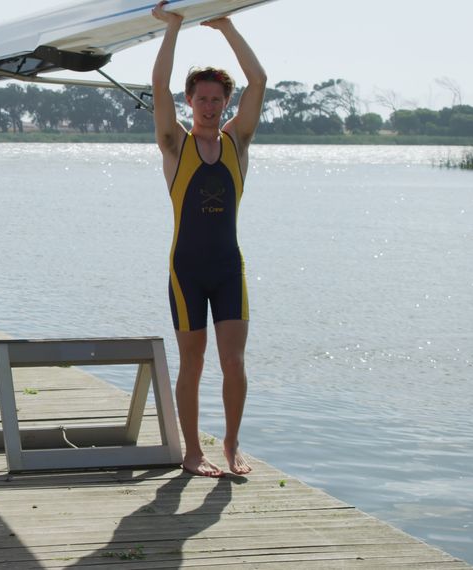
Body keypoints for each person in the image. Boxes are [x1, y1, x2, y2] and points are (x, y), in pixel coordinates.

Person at [150, 0, 266, 477]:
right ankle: (192, 452)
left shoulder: (238, 142)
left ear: (226, 103)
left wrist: (226, 27)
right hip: (186, 271)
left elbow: (258, 81)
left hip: (227, 269)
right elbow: (157, 84)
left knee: (233, 362)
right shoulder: (174, 144)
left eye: (218, 99)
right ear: (190, 102)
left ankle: (232, 445)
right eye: (202, 99)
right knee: (192, 363)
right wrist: (173, 27)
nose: (210, 106)